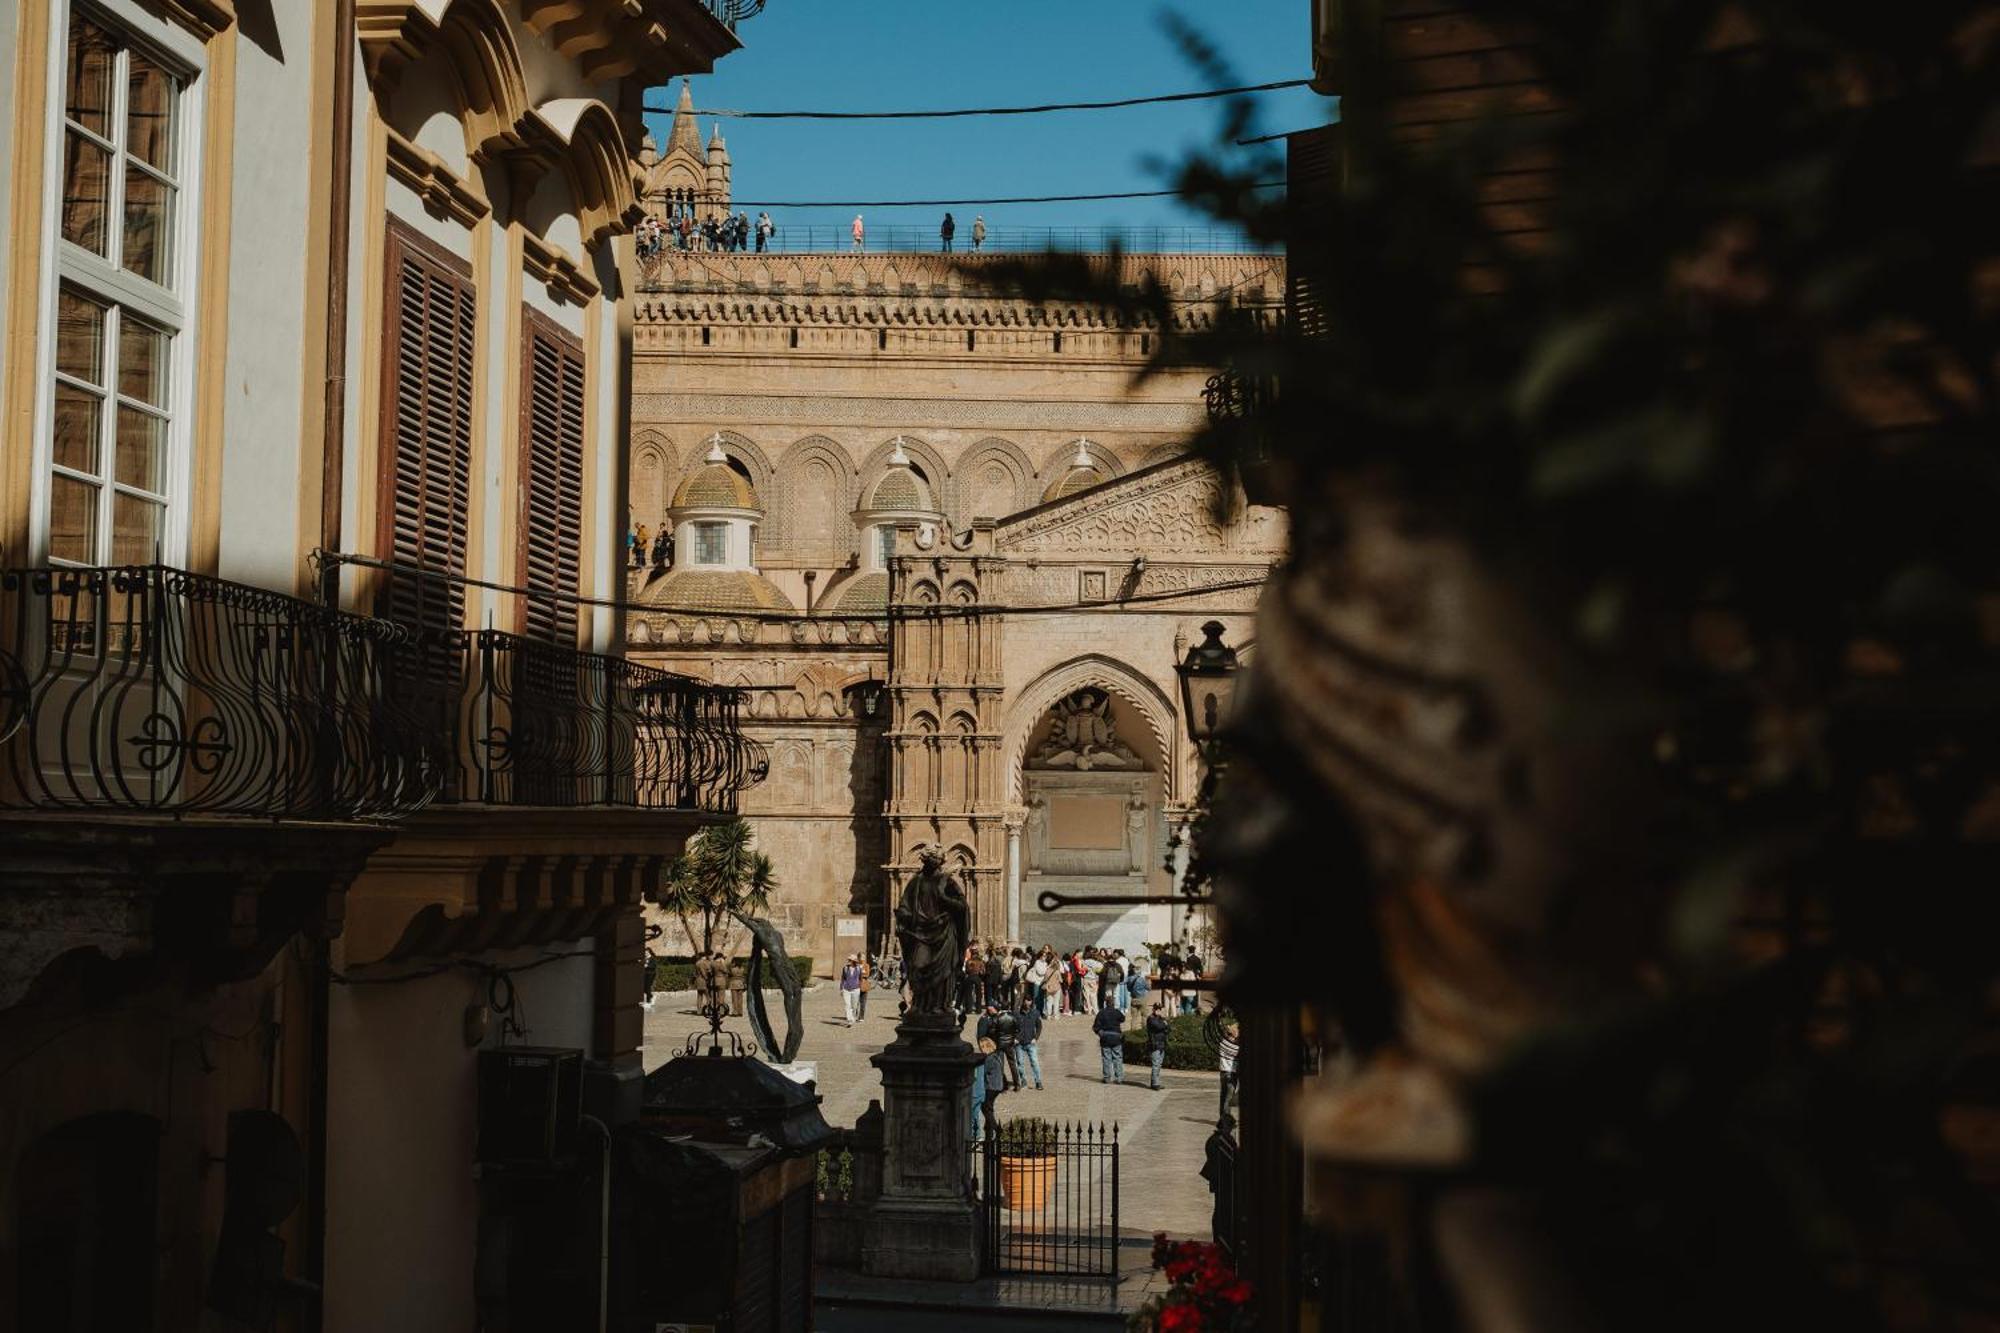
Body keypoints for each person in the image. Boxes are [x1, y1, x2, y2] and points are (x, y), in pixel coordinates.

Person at [1094, 995, 1127, 1083]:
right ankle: (1119, 1077)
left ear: (1106, 1003)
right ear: (1113, 1003)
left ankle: (1107, 1077)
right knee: (1117, 1058)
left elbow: (1095, 1027)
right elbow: (1123, 1019)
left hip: (1105, 1038)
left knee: (1106, 1058)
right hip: (1116, 1037)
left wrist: (1100, 1033)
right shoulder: (1117, 1012)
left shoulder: (1101, 1013)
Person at [1015, 992, 1045, 1090]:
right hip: (1019, 1043)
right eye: (1026, 1000)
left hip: (1030, 1042)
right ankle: (1023, 1080)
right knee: (1020, 1063)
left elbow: (1039, 1026)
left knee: (1035, 1062)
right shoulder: (1017, 1013)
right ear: (1023, 1001)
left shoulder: (1035, 1013)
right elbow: (1012, 1026)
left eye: (1029, 1000)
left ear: (1031, 1002)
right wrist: (1015, 1038)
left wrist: (1035, 1038)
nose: (1027, 1002)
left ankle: (1038, 1081)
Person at [977, 1036, 1004, 1140]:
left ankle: (996, 1128)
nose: (980, 1049)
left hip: (992, 1087)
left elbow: (983, 1071)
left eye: (981, 1047)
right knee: (989, 1107)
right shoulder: (996, 1055)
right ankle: (989, 1131)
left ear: (985, 1047)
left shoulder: (989, 1058)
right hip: (997, 1086)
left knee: (985, 1108)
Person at [1146, 1002, 1172, 1091]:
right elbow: (1157, 1026)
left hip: (1162, 1044)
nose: (1158, 1010)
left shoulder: (1161, 1018)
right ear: (1153, 1009)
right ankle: (1155, 1083)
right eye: (1156, 1009)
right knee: (1156, 1064)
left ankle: (1156, 1082)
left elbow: (1169, 1028)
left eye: (1159, 1009)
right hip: (1155, 1044)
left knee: (1159, 1064)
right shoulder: (1151, 1019)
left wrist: (1165, 1024)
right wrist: (1164, 1024)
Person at [1217, 1020, 1240, 1117]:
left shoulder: (1223, 1043)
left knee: (1223, 1096)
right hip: (1231, 1073)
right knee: (1228, 1098)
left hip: (1223, 1072)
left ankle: (1222, 1117)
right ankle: (1226, 1119)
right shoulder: (1235, 1046)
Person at [839, 953, 863, 1026]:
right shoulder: (845, 968)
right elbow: (843, 979)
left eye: (850, 960)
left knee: (854, 1006)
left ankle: (853, 1017)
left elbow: (860, 978)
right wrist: (841, 988)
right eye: (849, 960)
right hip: (846, 989)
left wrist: (859, 986)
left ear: (854, 961)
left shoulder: (859, 968)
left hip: (856, 989)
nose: (849, 961)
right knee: (847, 1005)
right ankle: (849, 1019)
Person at [857, 953, 872, 1020]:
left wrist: (860, 974)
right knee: (855, 1002)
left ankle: (861, 1017)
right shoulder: (856, 965)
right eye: (862, 957)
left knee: (863, 1002)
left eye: (864, 957)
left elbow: (867, 974)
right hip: (856, 985)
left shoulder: (866, 965)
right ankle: (855, 1015)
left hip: (864, 985)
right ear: (858, 958)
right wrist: (862, 973)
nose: (863, 959)